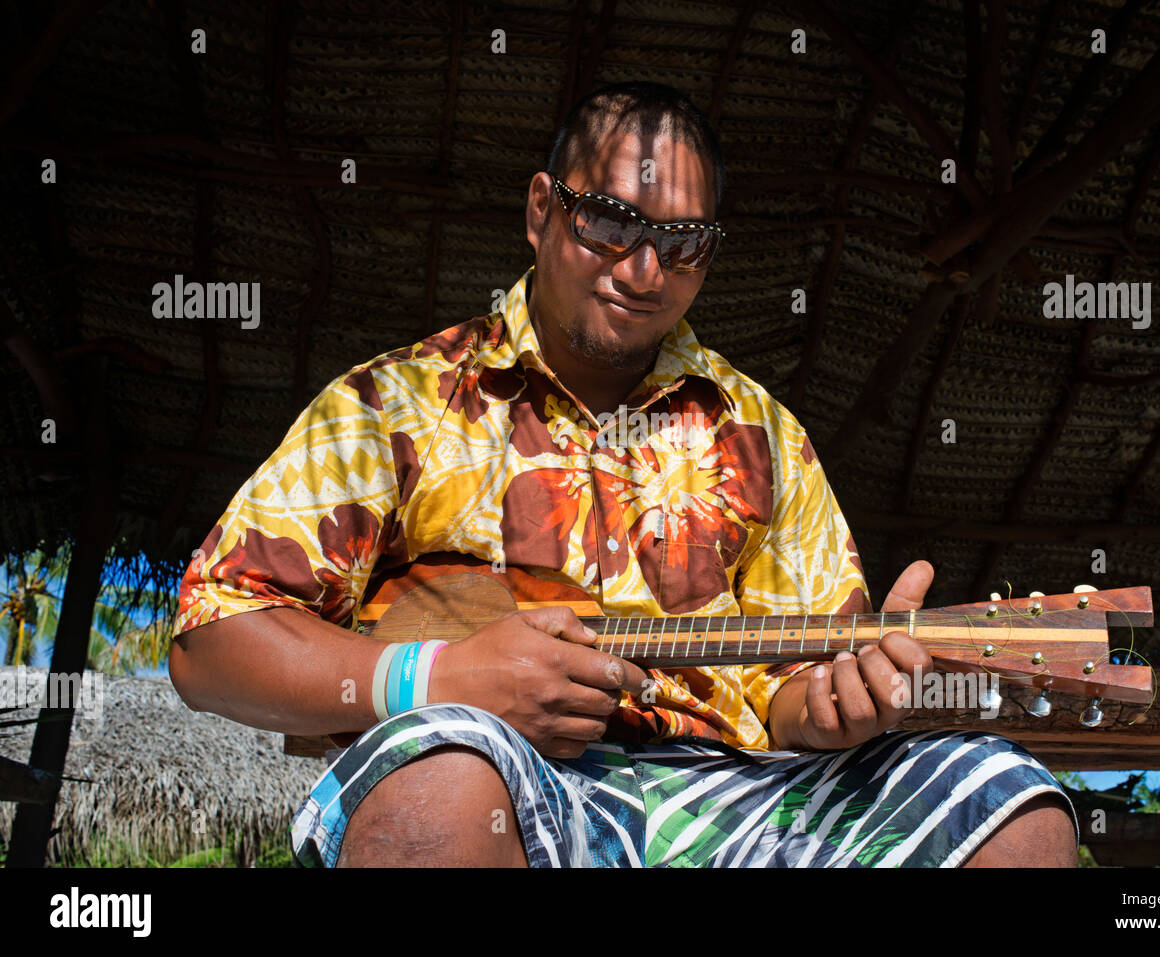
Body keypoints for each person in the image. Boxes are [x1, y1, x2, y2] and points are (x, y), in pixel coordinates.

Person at [168, 81, 1077, 867]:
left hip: (743, 797)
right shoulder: (394, 404)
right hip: (504, 777)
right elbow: (211, 640)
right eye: (609, 221)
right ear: (539, 211)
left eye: (683, 242)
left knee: (1005, 799)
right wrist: (438, 681)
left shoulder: (762, 430)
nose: (643, 269)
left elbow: (796, 695)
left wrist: (838, 704)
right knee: (437, 781)